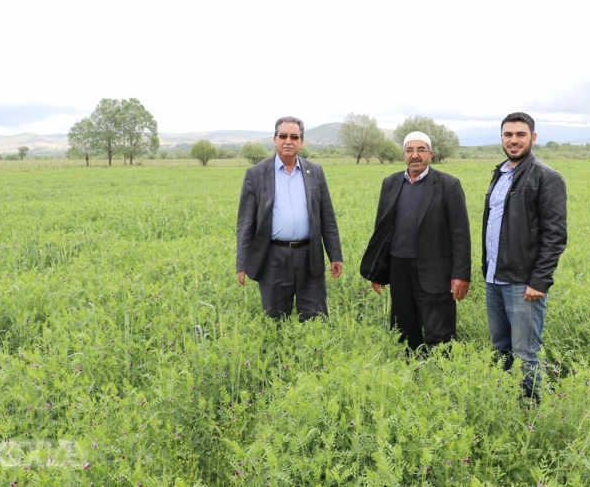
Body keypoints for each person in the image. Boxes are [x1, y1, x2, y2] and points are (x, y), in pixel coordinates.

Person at [482, 112, 567, 404]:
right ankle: (507, 402)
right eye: (508, 135)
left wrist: (539, 280)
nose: (513, 140)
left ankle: (529, 413)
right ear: (502, 138)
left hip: (523, 284)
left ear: (533, 137)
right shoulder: (501, 173)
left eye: (520, 134)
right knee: (501, 349)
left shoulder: (546, 177)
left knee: (526, 353)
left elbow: (555, 235)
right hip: (494, 278)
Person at [360, 131, 471, 351]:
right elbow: (381, 230)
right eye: (410, 150)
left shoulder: (448, 185)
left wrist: (460, 275)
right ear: (404, 154)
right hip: (399, 269)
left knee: (440, 334)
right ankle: (409, 375)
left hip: (435, 270)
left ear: (430, 153)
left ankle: (440, 377)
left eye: (421, 150)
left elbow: (460, 234)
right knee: (403, 330)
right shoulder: (390, 183)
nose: (415, 155)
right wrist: (377, 270)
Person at [236, 116, 343, 321]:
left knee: (316, 318)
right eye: (283, 135)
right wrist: (242, 263)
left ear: (301, 143)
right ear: (275, 139)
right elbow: (245, 224)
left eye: (294, 137)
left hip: (309, 254)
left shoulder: (315, 172)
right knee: (275, 318)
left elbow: (327, 217)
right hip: (273, 257)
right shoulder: (255, 174)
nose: (288, 141)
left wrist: (335, 255)